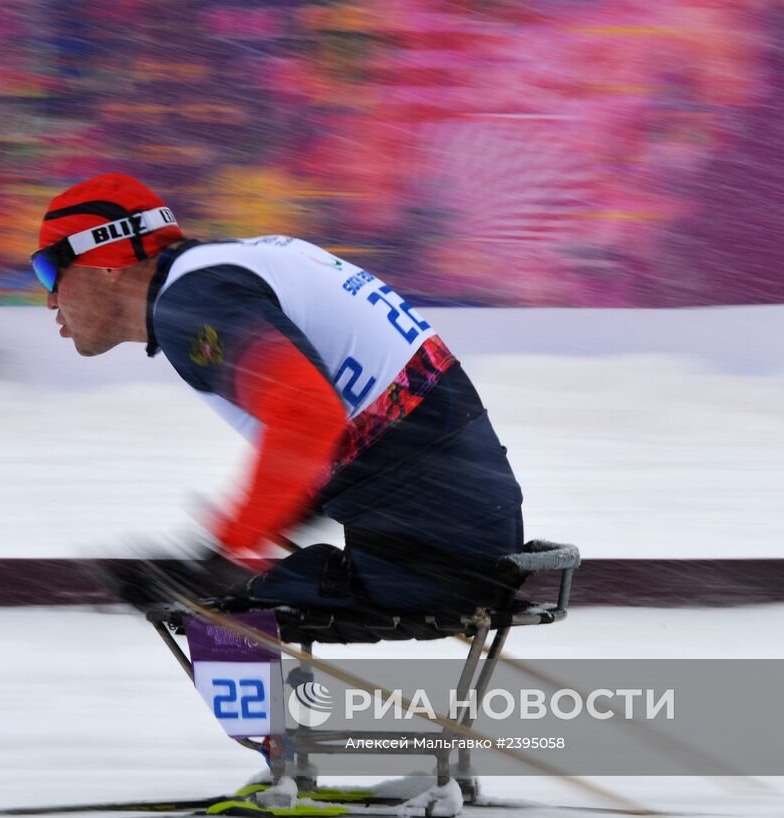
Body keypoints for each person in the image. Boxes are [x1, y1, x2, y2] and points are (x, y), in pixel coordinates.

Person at [31, 173, 524, 615]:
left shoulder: (191, 303)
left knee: (208, 609)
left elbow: (307, 415)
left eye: (48, 272)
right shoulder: (224, 270)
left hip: (429, 558)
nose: (49, 298)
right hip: (461, 536)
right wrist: (249, 533)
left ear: (107, 259)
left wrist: (218, 557)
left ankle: (271, 721)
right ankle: (276, 716)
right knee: (209, 593)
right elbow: (349, 424)